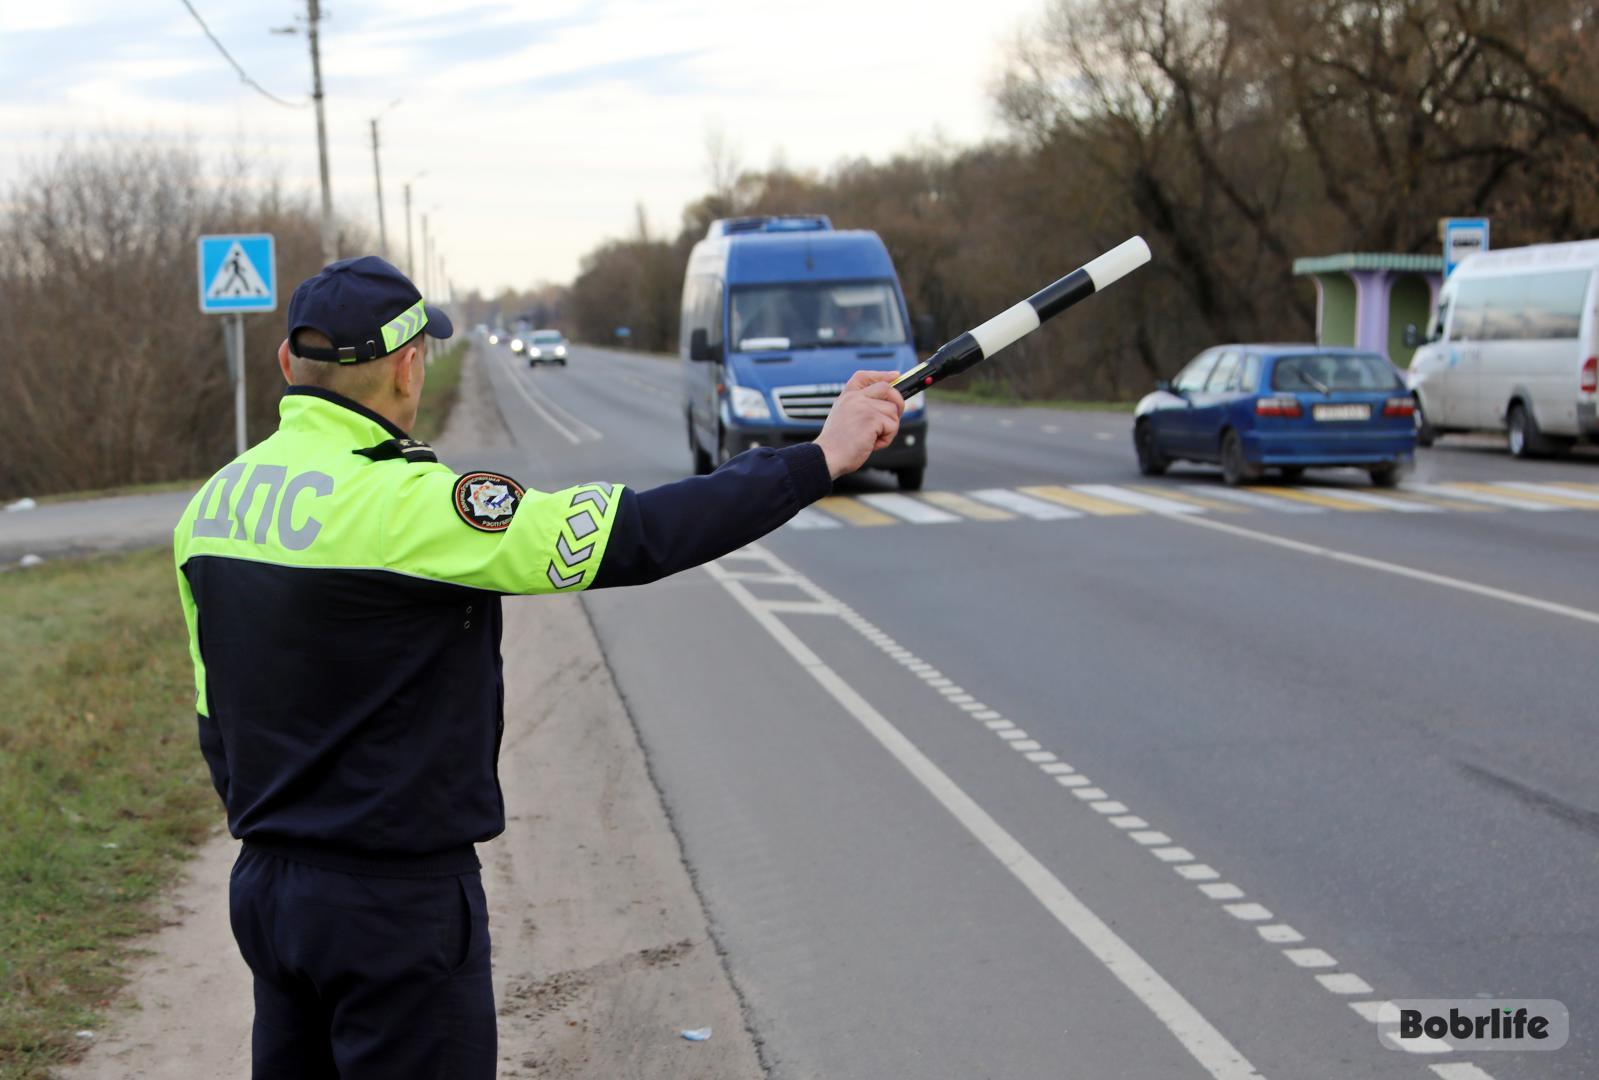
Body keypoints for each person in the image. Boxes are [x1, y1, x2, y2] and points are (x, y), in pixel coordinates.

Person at [171, 255, 903, 1079]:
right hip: (394, 906)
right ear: (410, 363)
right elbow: (635, 535)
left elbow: (215, 723)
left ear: (286, 366)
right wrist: (817, 461)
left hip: (268, 891)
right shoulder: (408, 505)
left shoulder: (214, 506)